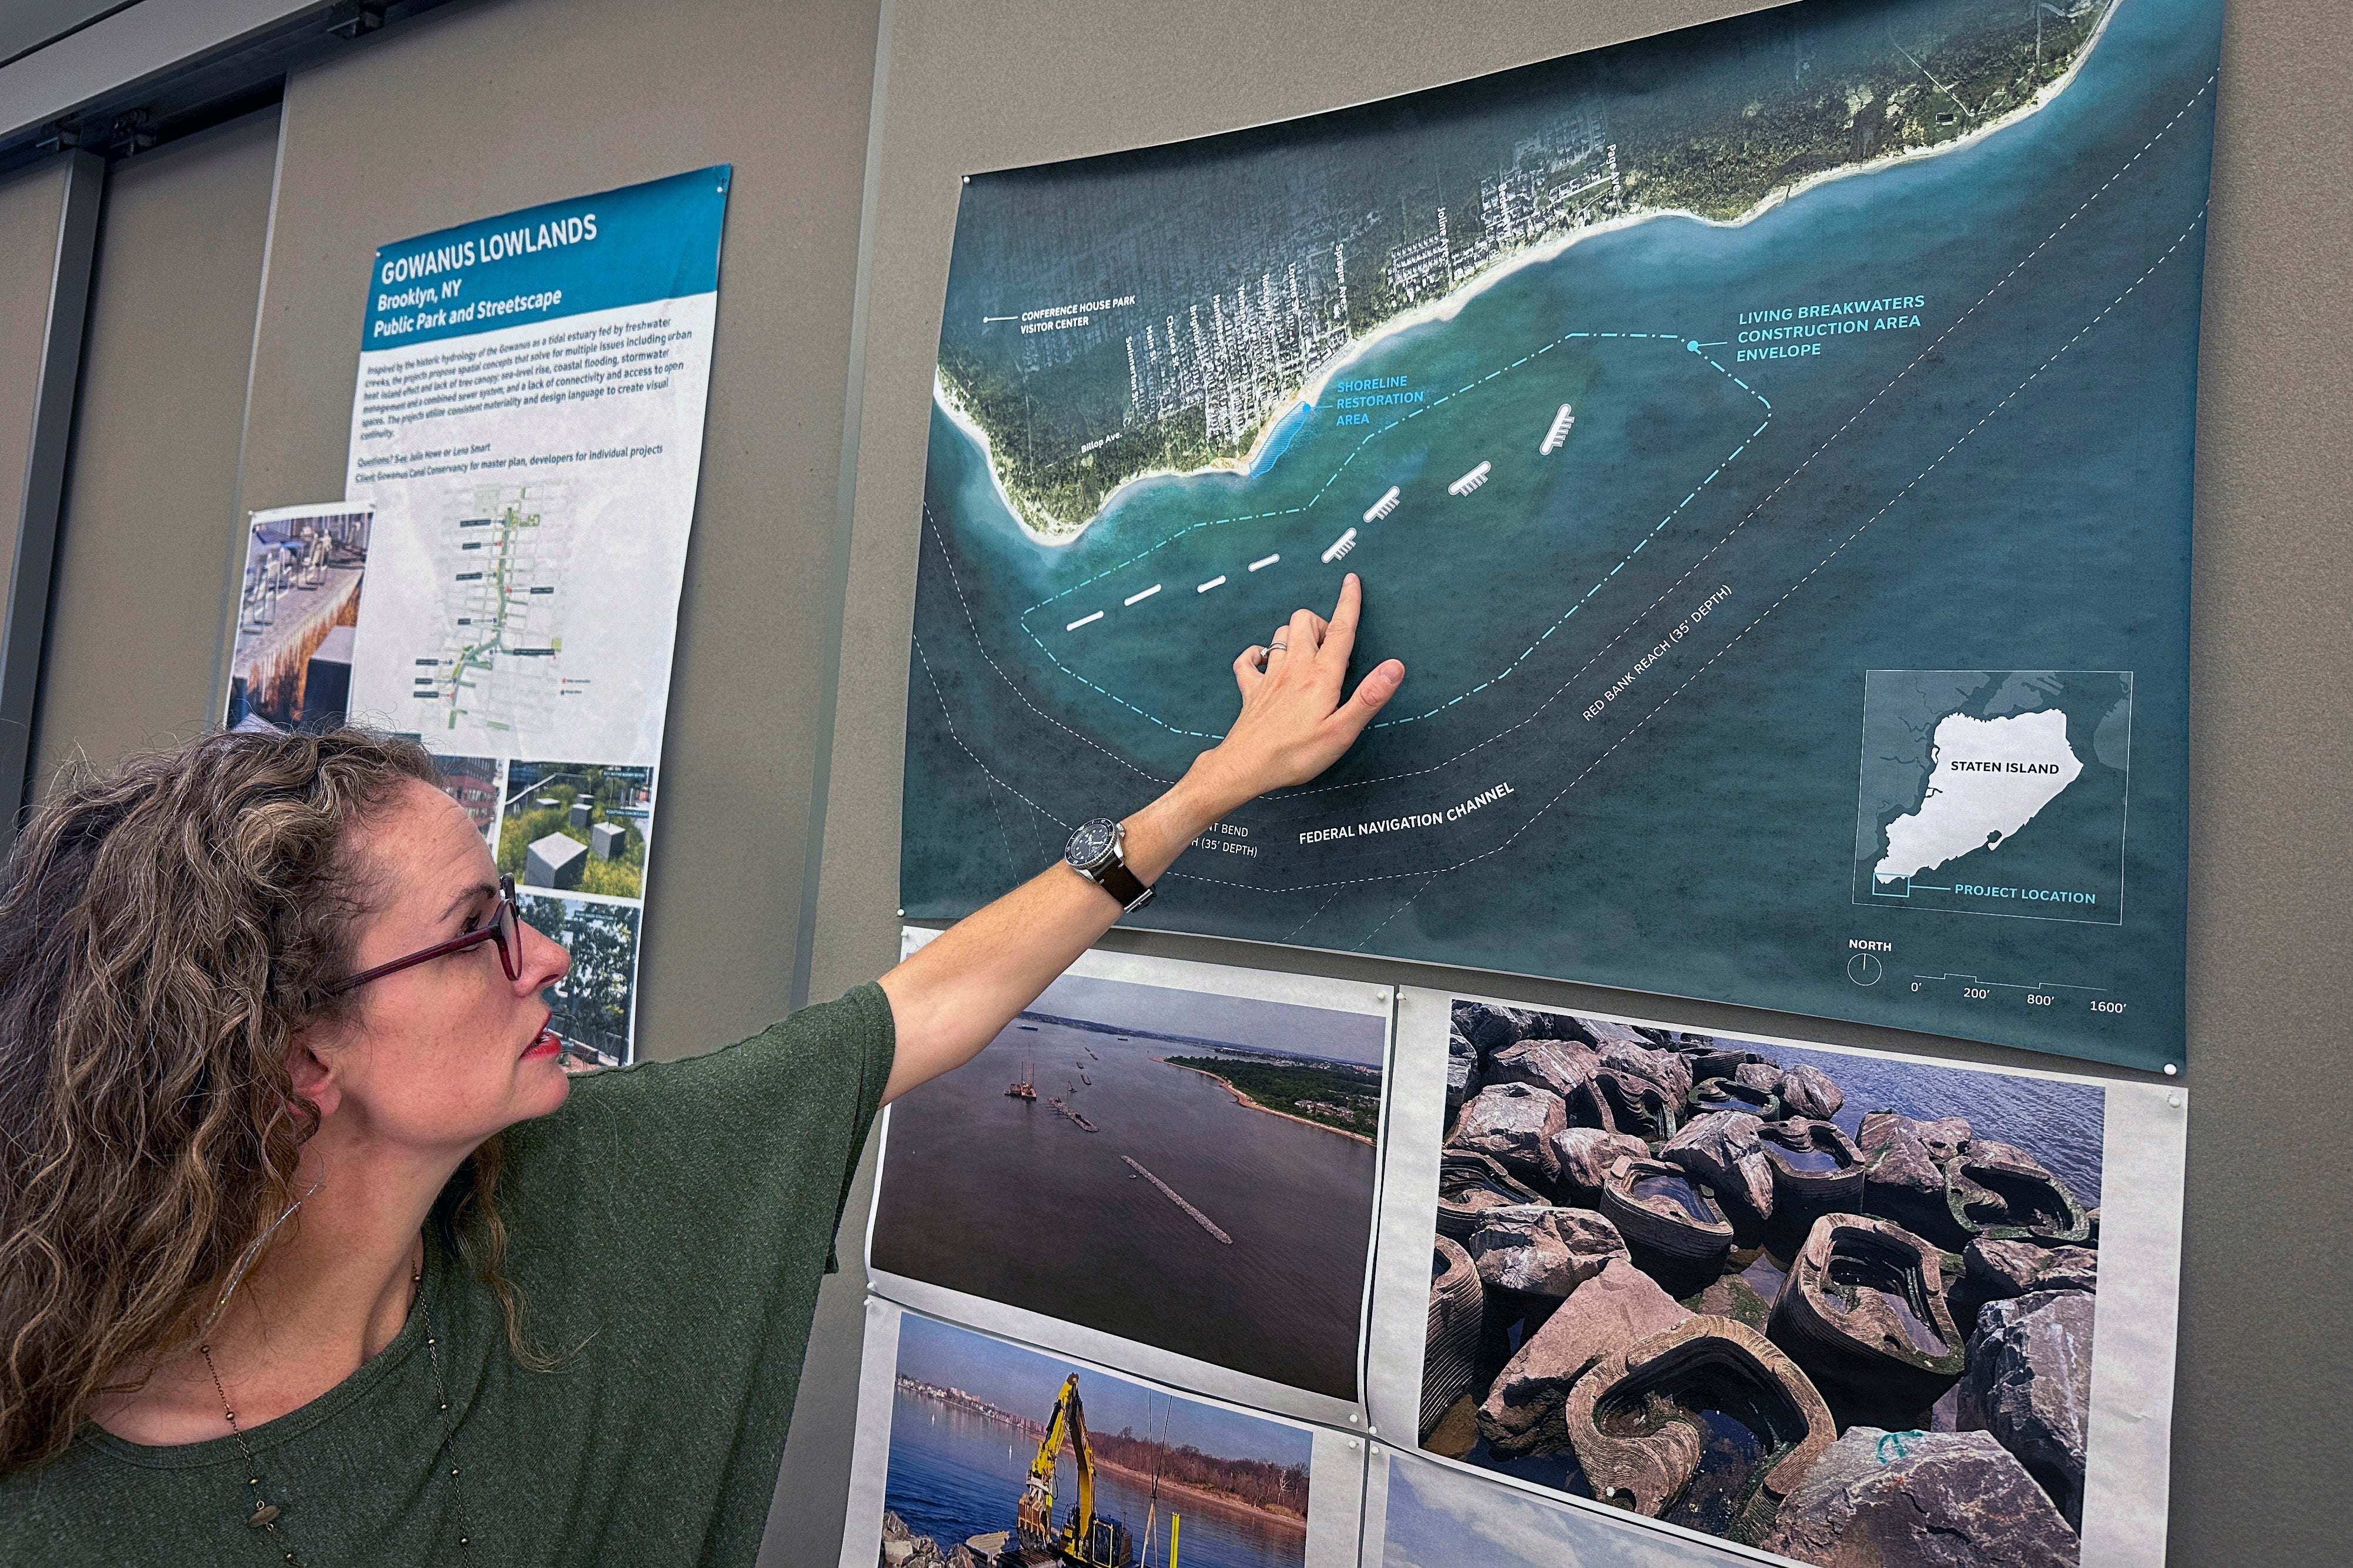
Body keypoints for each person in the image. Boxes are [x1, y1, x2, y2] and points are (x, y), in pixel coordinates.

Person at [0, 578, 1403, 1565]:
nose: (545, 956)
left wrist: (1208, 786)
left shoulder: (578, 1182)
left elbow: (923, 1006)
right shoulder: (53, 1504)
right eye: (480, 932)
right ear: (300, 1056)